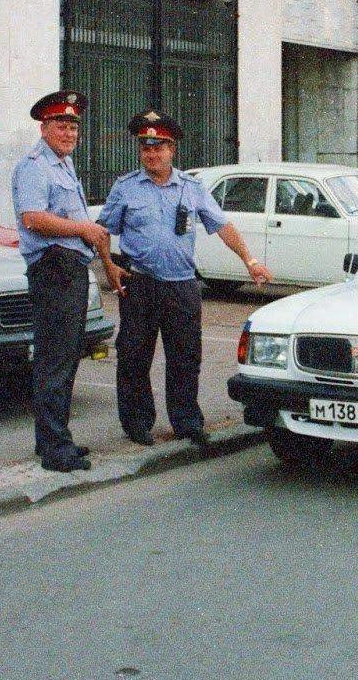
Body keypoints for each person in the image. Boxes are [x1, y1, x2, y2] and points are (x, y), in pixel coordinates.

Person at [98, 111, 273, 449]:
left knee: (185, 357)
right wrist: (108, 266)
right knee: (135, 355)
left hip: (181, 285)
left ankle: (187, 422)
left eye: (159, 147)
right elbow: (103, 231)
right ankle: (136, 423)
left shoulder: (192, 189)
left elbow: (222, 226)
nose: (152, 154)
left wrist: (250, 261)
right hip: (139, 284)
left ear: (172, 149)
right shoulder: (126, 188)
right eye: (146, 148)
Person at [12, 90, 114, 473]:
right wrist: (82, 228)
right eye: (61, 125)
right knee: (56, 359)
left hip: (69, 267)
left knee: (66, 356)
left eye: (73, 126)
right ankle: (55, 449)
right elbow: (33, 218)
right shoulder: (36, 166)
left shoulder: (62, 164)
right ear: (44, 127)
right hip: (53, 268)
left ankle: (55, 438)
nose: (69, 132)